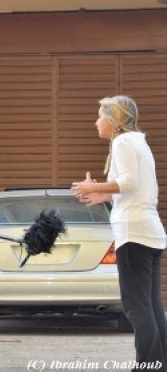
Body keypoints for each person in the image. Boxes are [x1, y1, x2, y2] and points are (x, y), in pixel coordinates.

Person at [71, 95, 167, 371]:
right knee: (151, 305)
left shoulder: (123, 141)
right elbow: (138, 189)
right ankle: (160, 363)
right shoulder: (139, 142)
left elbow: (128, 182)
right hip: (149, 230)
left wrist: (95, 187)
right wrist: (104, 195)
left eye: (100, 116)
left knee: (136, 307)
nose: (96, 122)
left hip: (134, 232)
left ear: (113, 120)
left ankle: (149, 365)